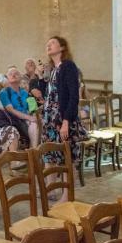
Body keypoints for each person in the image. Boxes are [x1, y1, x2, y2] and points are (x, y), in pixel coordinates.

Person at [42, 36, 87, 203]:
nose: (48, 45)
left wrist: (66, 121)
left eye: (52, 43)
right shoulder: (54, 69)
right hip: (50, 120)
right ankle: (50, 189)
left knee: (67, 158)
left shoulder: (68, 66)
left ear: (62, 47)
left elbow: (73, 97)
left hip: (63, 119)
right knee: (49, 155)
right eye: (47, 43)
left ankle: (67, 195)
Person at [0, 67, 39, 148]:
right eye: (10, 74)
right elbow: (11, 110)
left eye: (16, 74)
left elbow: (33, 108)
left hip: (27, 119)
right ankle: (34, 151)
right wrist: (29, 117)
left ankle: (35, 150)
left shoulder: (25, 92)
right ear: (7, 77)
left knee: (40, 122)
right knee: (34, 124)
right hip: (15, 120)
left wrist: (34, 116)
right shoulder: (4, 92)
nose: (13, 75)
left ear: (20, 77)